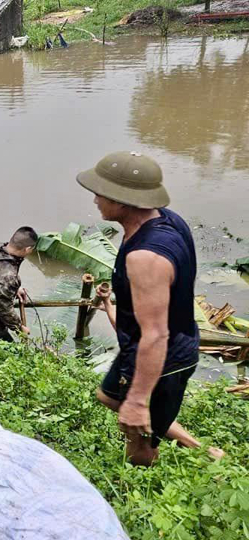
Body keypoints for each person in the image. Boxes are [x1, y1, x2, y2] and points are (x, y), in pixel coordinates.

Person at [77, 151, 224, 466]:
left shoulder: (145, 257)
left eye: (100, 193)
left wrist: (139, 401)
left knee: (138, 441)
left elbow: (156, 335)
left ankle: (143, 479)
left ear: (123, 200)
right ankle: (192, 444)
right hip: (156, 344)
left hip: (163, 356)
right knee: (108, 396)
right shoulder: (167, 220)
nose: (95, 200)